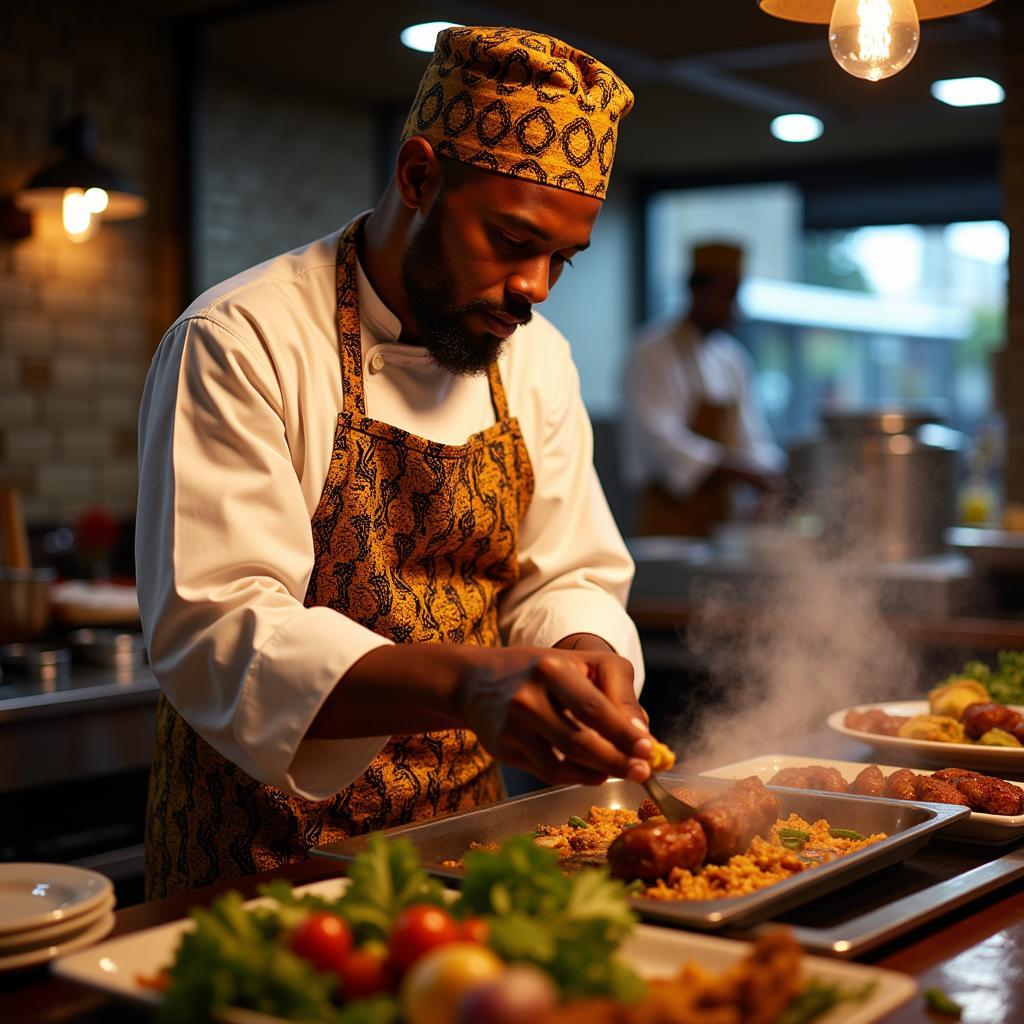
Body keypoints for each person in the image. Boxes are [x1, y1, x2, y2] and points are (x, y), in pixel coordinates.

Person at [136, 25, 655, 898]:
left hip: (469, 847)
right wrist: (466, 684)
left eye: (561, 260)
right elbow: (218, 628)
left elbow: (564, 571)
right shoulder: (244, 340)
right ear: (419, 178)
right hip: (265, 853)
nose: (535, 289)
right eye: (512, 240)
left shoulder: (537, 359)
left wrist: (581, 648)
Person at [621, 241, 786, 537]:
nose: (734, 309)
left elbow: (752, 437)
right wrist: (742, 472)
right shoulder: (651, 352)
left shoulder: (732, 359)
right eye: (726, 296)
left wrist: (768, 476)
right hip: (666, 520)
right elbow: (660, 440)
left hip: (722, 522)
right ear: (695, 291)